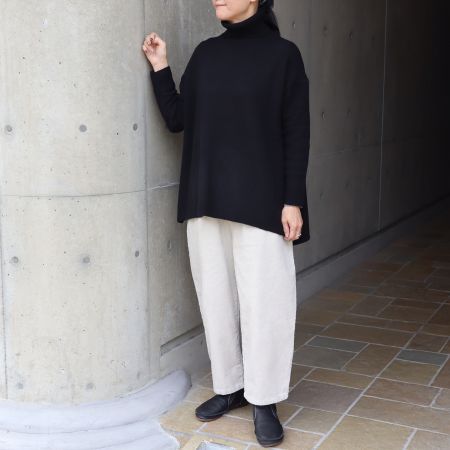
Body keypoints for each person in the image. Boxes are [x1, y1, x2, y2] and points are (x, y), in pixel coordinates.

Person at [142, 0, 310, 446]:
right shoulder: (206, 54)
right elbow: (178, 118)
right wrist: (160, 67)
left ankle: (264, 399)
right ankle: (230, 386)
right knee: (215, 298)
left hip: (262, 201)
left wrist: (293, 200)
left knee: (265, 303)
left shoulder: (283, 55)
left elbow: (297, 131)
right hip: (206, 197)